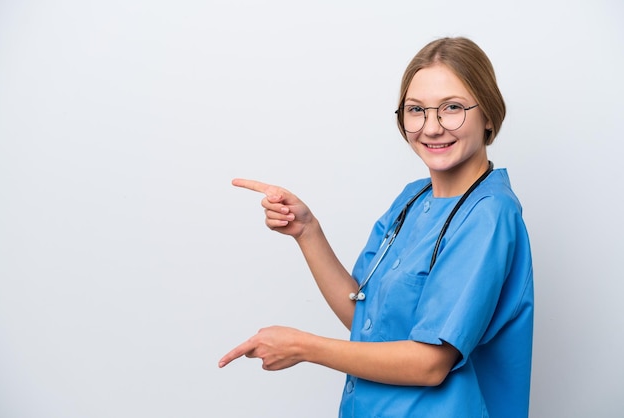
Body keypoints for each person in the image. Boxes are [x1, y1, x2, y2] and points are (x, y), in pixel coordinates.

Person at [218, 36, 534, 418]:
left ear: (488, 114)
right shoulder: (412, 199)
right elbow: (365, 319)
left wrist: (304, 347)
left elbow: (430, 364)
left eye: (451, 108)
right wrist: (307, 231)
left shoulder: (489, 215)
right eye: (416, 110)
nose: (431, 127)